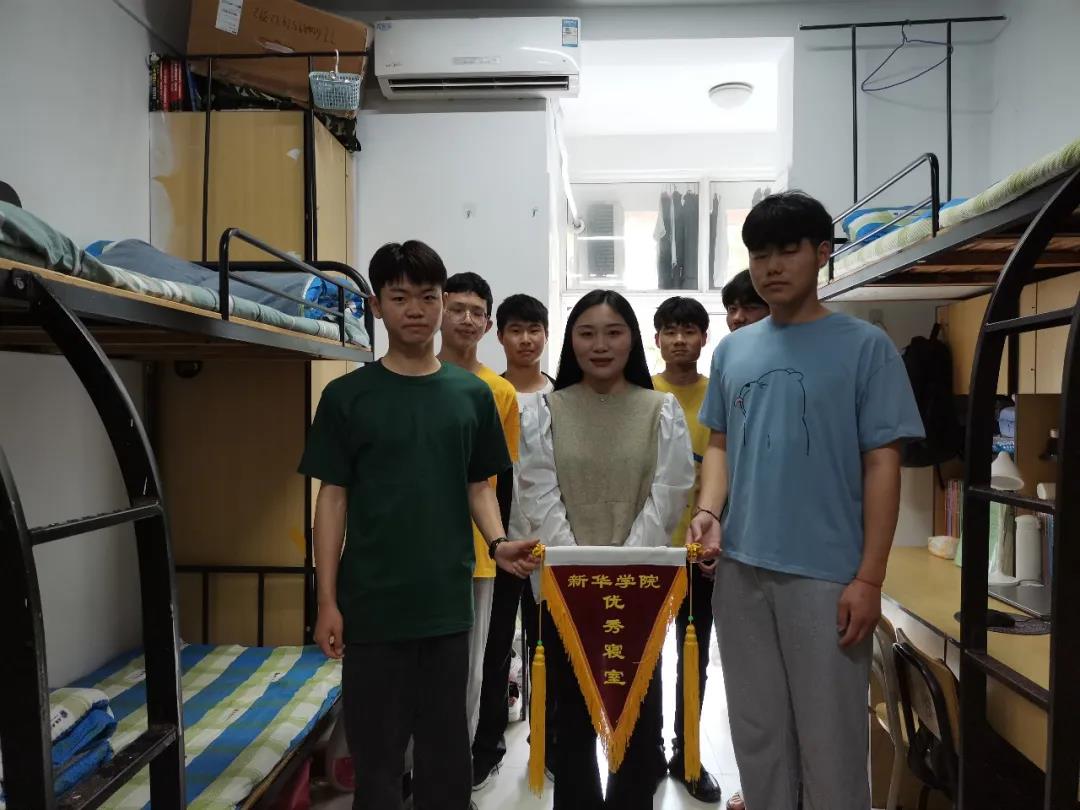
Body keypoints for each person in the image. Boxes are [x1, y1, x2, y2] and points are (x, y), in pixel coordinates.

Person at [691, 192, 924, 810]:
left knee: (831, 741)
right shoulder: (734, 350)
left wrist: (869, 578)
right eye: (759, 254)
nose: (771, 266)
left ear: (821, 253)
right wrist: (709, 511)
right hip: (740, 571)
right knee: (757, 733)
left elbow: (883, 464)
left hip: (827, 576)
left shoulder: (866, 347)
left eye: (787, 250)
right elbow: (720, 444)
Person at [300, 242, 539, 810]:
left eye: (427, 297)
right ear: (376, 306)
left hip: (445, 603)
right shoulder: (346, 396)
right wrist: (327, 600)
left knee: (445, 752)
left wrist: (498, 542)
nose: (415, 309)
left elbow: (479, 486)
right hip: (371, 604)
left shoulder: (472, 395)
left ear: (441, 303)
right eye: (399, 297)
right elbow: (332, 499)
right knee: (378, 756)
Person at [519, 289, 695, 810]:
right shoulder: (546, 409)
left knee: (637, 721)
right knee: (571, 723)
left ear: (632, 340)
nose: (600, 345)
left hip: (638, 591)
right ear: (570, 341)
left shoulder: (660, 409)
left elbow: (669, 492)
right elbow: (537, 491)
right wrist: (580, 568)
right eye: (587, 333)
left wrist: (619, 568)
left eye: (613, 333)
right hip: (565, 589)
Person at [472, 294, 555, 788]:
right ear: (499, 335)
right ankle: (487, 745)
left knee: (550, 647)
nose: (526, 340)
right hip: (500, 543)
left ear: (546, 334)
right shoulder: (488, 394)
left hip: (550, 541)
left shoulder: (562, 397)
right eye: (516, 330)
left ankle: (549, 744)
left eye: (534, 329)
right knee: (494, 647)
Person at [437, 271, 522, 752]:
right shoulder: (412, 377)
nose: (467, 319)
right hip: (417, 546)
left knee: (469, 668)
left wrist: (499, 542)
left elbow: (495, 481)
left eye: (477, 312)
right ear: (439, 312)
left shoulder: (499, 392)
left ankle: (457, 767)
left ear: (488, 325)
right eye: (457, 309)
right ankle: (409, 771)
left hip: (477, 549)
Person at [650, 296, 722, 804]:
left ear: (703, 338)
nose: (680, 340)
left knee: (692, 657)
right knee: (647, 658)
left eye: (689, 330)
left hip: (700, 552)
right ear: (656, 338)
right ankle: (649, 751)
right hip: (650, 552)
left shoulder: (719, 394)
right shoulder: (642, 392)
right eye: (671, 331)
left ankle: (688, 755)